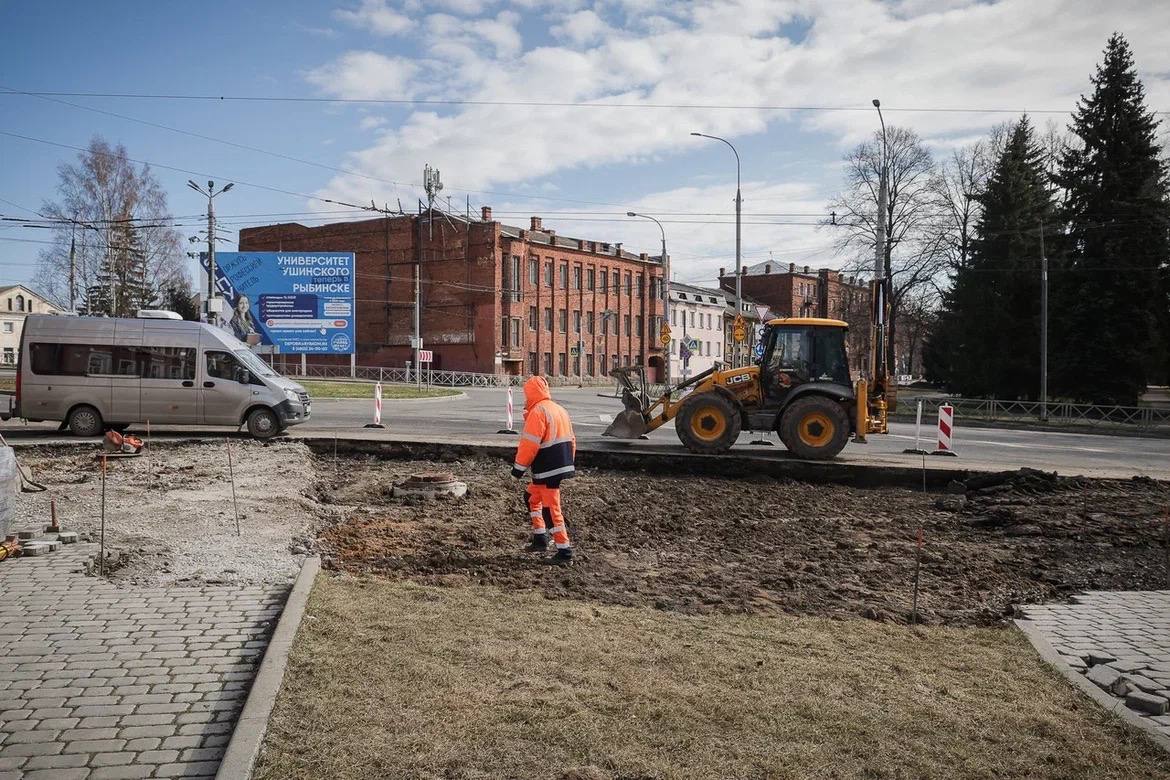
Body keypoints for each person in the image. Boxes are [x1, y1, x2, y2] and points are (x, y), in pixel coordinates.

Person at [510, 375, 576, 565]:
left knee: (550, 509)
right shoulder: (559, 409)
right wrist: (568, 463)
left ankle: (564, 551)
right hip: (557, 466)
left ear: (530, 393)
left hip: (547, 469)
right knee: (531, 498)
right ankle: (540, 538)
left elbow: (529, 445)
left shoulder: (538, 412)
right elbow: (572, 439)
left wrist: (517, 470)